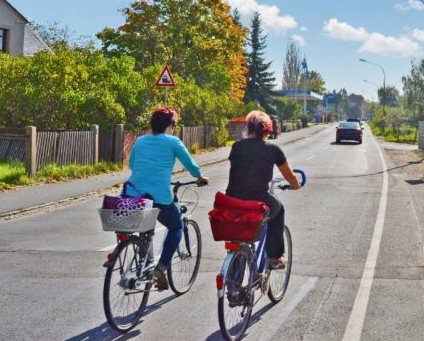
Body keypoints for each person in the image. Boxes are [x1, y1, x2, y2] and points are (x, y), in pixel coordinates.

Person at [124, 107, 209, 291]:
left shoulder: (140, 140)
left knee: (144, 227)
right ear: (171, 126)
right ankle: (161, 267)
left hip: (132, 194)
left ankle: (142, 260)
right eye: (174, 125)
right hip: (158, 196)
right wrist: (200, 177)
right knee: (176, 226)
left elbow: (132, 164)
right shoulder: (173, 142)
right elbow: (190, 164)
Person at [226, 110, 300, 268]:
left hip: (232, 199)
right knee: (278, 210)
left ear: (249, 128)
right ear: (267, 130)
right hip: (257, 199)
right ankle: (275, 256)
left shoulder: (237, 147)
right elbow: (289, 175)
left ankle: (233, 276)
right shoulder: (273, 149)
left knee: (238, 231)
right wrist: (295, 185)